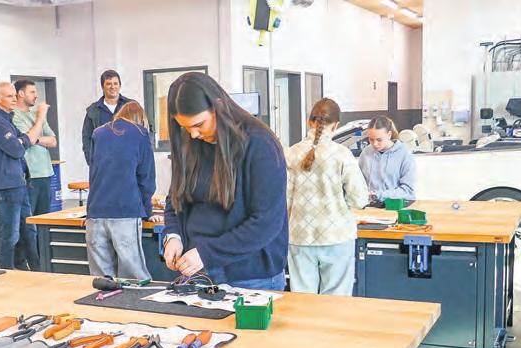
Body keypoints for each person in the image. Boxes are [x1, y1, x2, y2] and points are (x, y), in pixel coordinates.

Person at [161, 72, 288, 290]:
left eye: (199, 124)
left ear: (218, 106)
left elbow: (266, 223)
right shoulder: (190, 143)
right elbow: (176, 199)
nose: (193, 134)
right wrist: (173, 236)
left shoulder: (261, 145)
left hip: (251, 276)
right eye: (185, 128)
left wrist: (207, 253)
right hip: (199, 272)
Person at [285, 98, 370, 295]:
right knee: (336, 300)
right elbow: (359, 199)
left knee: (303, 298)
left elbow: (284, 199)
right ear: (336, 125)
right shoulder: (342, 154)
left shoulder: (290, 154)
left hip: (299, 236)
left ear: (309, 121)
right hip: (337, 236)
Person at [86, 101, 158, 280]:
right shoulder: (140, 134)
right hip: (125, 212)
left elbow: (94, 174)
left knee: (101, 280)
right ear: (140, 118)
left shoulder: (98, 133)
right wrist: (147, 212)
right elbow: (146, 178)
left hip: (96, 214)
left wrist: (90, 212)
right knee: (134, 277)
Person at [0, 82, 47, 270]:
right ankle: (7, 270)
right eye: (10, 96)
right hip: (7, 185)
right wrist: (23, 140)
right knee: (11, 233)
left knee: (29, 230)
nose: (14, 99)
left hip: (19, 182)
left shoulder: (7, 119)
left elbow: (25, 140)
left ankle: (36, 269)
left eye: (14, 95)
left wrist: (22, 140)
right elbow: (17, 149)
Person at [12, 79, 58, 216]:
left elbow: (53, 141)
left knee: (44, 219)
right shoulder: (14, 116)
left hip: (46, 173)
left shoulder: (36, 115)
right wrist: (41, 117)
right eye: (32, 92)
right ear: (21, 94)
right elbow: (28, 139)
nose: (36, 96)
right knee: (29, 219)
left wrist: (36, 139)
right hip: (30, 175)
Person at [358, 115, 416, 203]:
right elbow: (358, 183)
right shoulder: (366, 153)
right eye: (371, 139)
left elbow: (408, 191)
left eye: (379, 140)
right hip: (370, 206)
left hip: (395, 206)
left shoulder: (405, 154)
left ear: (389, 135)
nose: (375, 144)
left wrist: (378, 195)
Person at [82, 70, 133, 165]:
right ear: (102, 87)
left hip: (129, 162)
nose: (112, 87)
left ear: (120, 86)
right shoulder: (93, 110)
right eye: (109, 84)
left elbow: (142, 131)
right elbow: (87, 138)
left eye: (115, 83)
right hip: (103, 164)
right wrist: (92, 162)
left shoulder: (131, 106)